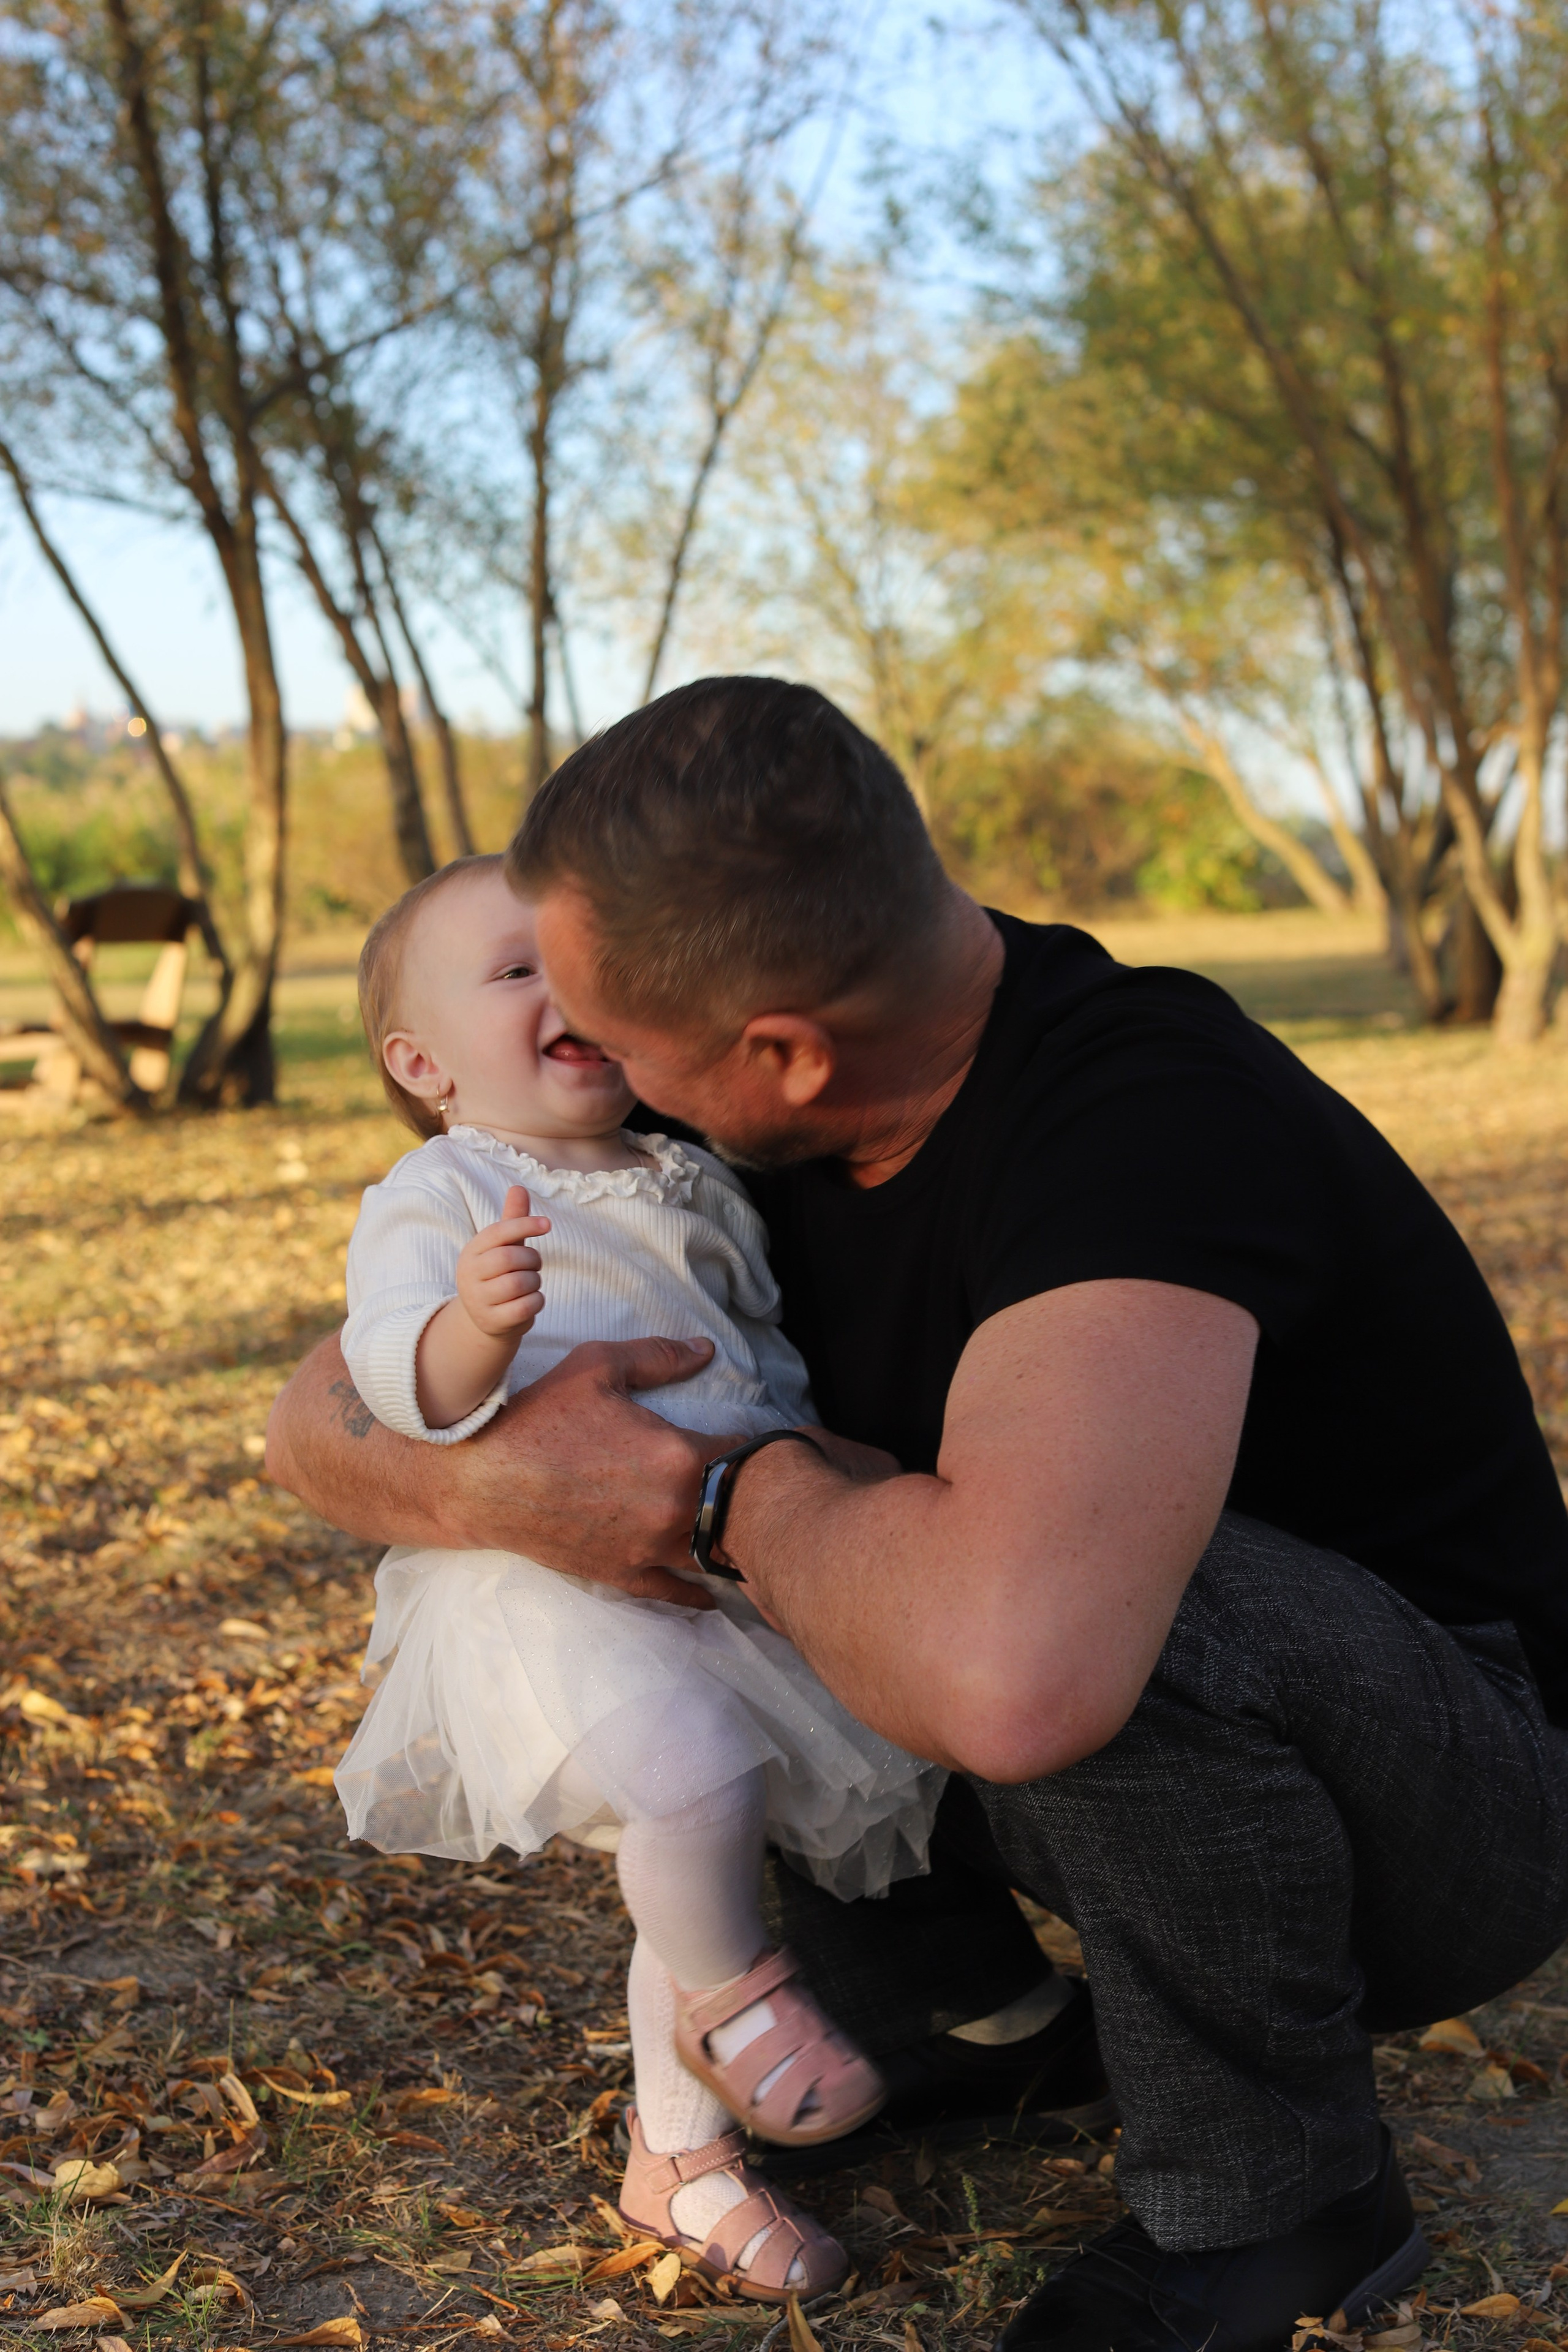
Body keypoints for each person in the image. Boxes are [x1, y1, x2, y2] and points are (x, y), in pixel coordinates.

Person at [268, 678, 1568, 2352]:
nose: (595, 1065)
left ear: (783, 1053)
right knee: (866, 1571)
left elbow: (1024, 1670)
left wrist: (713, 1488)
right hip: (1120, 1753)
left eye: (618, 1039)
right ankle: (976, 2019)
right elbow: (319, 1410)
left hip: (1451, 1791)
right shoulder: (721, 1059)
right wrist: (504, 1476)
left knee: (1018, 1588)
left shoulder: (1143, 1119)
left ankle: (1286, 2196)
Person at [330, 852, 947, 2302]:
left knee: (699, 1852)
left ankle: (682, 2169)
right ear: (422, 1063)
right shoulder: (445, 1183)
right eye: (514, 970)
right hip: (547, 1595)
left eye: (579, 961)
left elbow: (756, 1352)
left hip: (720, 1576)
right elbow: (385, 1370)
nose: (567, 991)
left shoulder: (689, 1169)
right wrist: (470, 1331)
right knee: (693, 1788)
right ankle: (743, 2009)